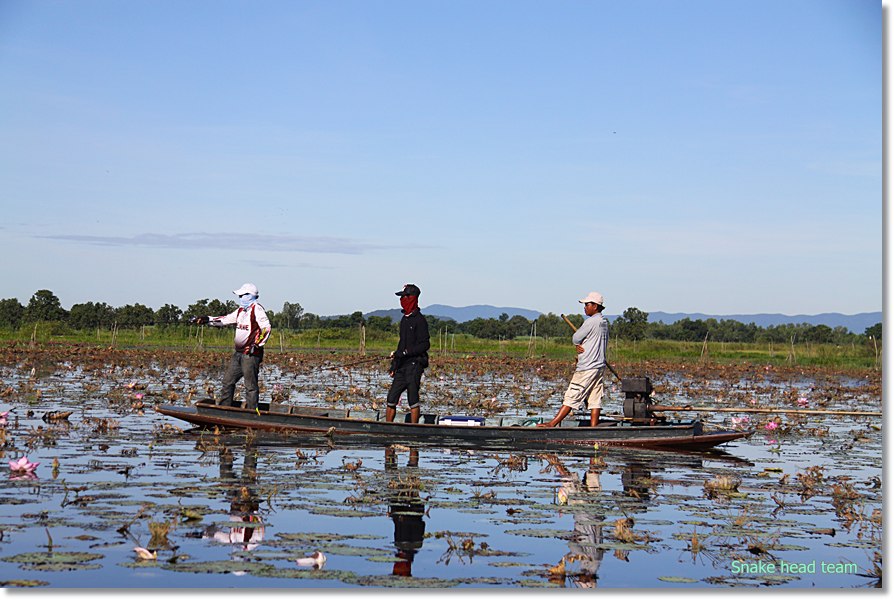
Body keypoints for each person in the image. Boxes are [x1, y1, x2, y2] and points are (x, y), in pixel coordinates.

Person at [191, 283, 272, 410]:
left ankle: (252, 413)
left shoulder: (257, 309)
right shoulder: (240, 311)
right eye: (239, 295)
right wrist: (207, 319)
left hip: (250, 355)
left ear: (250, 296)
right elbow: (225, 319)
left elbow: (266, 328)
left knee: (250, 386)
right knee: (228, 381)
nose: (240, 298)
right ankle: (224, 409)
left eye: (242, 295)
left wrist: (257, 345)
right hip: (238, 354)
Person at [539, 291, 609, 428]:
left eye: (587, 305)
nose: (585, 307)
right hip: (599, 366)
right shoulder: (604, 322)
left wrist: (577, 344)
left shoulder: (590, 322)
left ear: (595, 306)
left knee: (572, 394)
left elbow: (576, 338)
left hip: (587, 366)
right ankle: (593, 428)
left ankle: (552, 424)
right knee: (595, 397)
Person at [385, 284, 430, 424]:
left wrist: (406, 352)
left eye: (404, 297)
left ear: (412, 298)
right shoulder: (404, 319)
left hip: (415, 364)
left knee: (413, 398)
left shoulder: (420, 320)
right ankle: (387, 427)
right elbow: (402, 343)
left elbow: (425, 344)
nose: (402, 299)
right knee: (391, 398)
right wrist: (394, 365)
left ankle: (414, 428)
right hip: (402, 365)